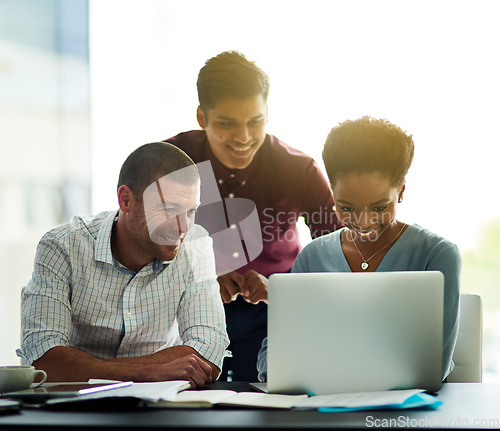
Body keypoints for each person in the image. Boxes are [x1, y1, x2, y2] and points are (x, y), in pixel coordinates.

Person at [164, 51, 342, 382]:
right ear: (202, 117)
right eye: (227, 124)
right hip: (184, 317)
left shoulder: (298, 170)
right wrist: (199, 282)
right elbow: (138, 253)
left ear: (267, 113)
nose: (243, 138)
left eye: (255, 121)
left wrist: (282, 289)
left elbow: (341, 255)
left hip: (277, 319)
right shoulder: (170, 163)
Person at [257, 116, 460, 382]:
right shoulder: (312, 256)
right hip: (321, 410)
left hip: (405, 416)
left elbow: (433, 366)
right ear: (332, 192)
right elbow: (270, 359)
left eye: (379, 207)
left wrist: (319, 358)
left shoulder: (436, 254)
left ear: (400, 191)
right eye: (347, 208)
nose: (363, 223)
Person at [18, 142, 229, 388]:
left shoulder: (197, 245)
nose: (182, 227)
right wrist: (149, 372)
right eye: (169, 209)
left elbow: (208, 350)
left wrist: (99, 369)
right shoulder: (62, 246)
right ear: (126, 200)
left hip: (160, 404)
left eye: (191, 211)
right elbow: (45, 360)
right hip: (74, 404)